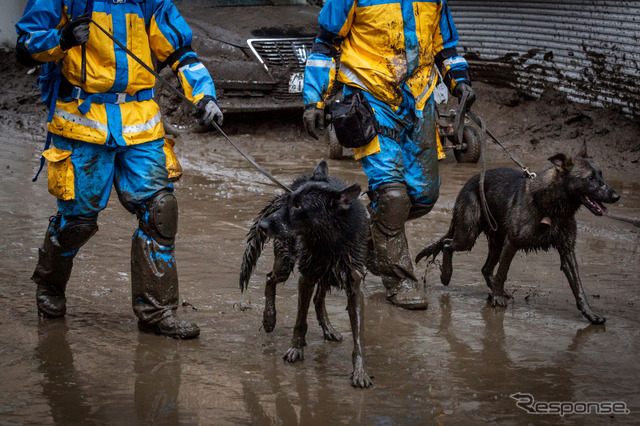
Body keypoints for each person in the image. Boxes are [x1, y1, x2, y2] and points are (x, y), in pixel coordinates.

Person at [16, 0, 222, 339]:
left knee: (160, 211)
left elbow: (181, 53)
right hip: (82, 121)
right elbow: (26, 46)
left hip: (140, 121)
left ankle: (157, 313)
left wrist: (204, 96)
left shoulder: (149, 2)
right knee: (77, 222)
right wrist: (62, 38)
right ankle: (50, 284)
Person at [302, 0, 475, 310]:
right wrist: (314, 99)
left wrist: (458, 81)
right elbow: (326, 43)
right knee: (393, 195)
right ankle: (399, 280)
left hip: (419, 99)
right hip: (370, 97)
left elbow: (445, 46)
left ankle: (362, 237)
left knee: (423, 195)